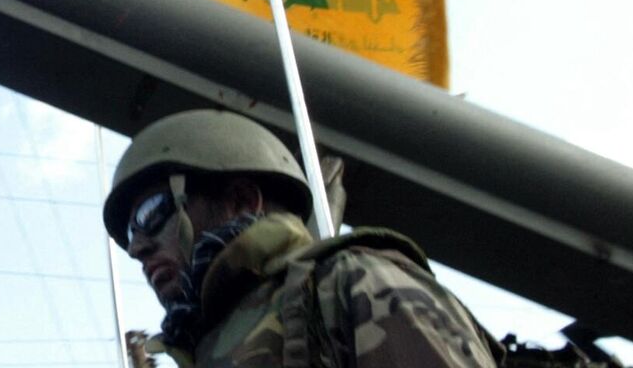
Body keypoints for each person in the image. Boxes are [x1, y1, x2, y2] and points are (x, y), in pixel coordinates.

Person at [105, 109, 501, 368]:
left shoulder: (352, 286)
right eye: (129, 233)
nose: (137, 247)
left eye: (151, 214)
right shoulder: (199, 351)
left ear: (242, 201)